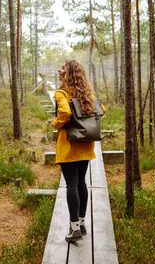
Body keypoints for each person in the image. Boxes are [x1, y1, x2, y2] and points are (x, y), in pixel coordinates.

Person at [50, 59, 105, 243]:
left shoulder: (61, 93)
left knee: (71, 184)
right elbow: (101, 109)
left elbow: (64, 113)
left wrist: (55, 123)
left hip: (69, 143)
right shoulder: (87, 92)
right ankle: (81, 225)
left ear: (69, 73)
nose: (60, 70)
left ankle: (74, 229)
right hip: (86, 142)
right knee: (81, 183)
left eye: (63, 68)